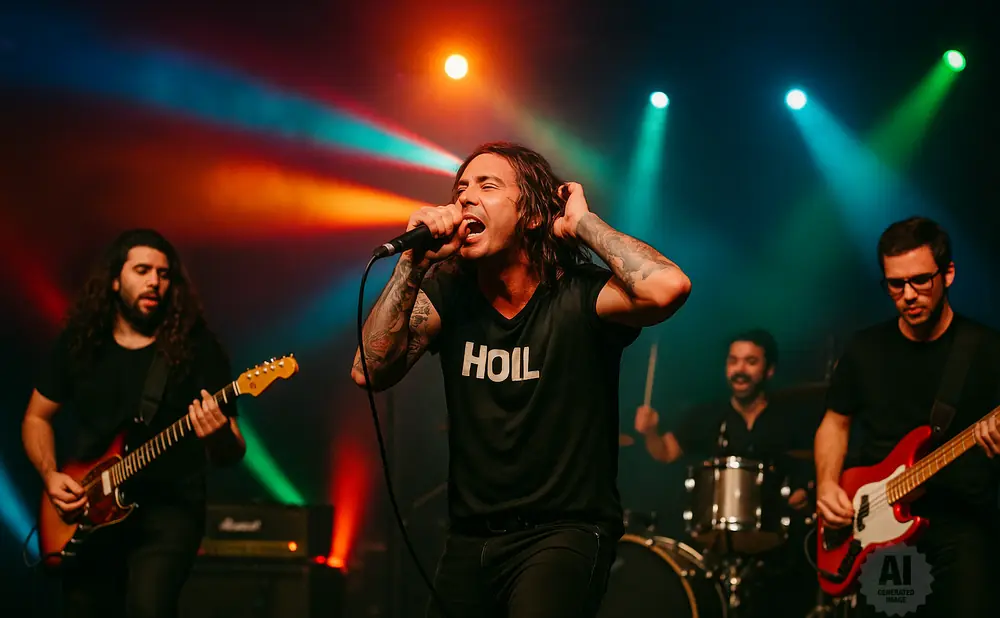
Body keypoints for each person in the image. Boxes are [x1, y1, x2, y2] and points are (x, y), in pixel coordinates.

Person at [351, 141, 691, 617]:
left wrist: (582, 224)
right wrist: (413, 262)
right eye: (461, 188)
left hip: (564, 533)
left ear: (532, 215)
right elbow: (369, 369)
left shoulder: (580, 294)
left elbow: (668, 287)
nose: (466, 197)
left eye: (487, 186)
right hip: (471, 538)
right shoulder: (448, 293)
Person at [21, 229, 247, 618]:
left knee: (149, 608)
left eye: (163, 274)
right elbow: (35, 417)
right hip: (88, 507)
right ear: (114, 279)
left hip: (170, 510)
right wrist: (49, 474)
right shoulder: (80, 342)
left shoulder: (197, 348)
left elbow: (233, 451)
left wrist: (219, 434)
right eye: (142, 270)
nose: (153, 281)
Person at [814, 216, 1000, 617]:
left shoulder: (987, 349)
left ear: (947, 274)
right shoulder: (866, 349)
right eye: (895, 285)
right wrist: (827, 484)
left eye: (920, 280)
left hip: (962, 526)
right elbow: (835, 421)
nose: (909, 295)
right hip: (880, 530)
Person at [634, 329, 820, 617]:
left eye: (750, 361)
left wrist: (803, 491)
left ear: (769, 370)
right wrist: (650, 433)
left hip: (779, 546)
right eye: (733, 361)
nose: (739, 370)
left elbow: (814, 462)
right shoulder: (707, 414)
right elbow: (666, 452)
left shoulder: (789, 419)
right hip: (716, 539)